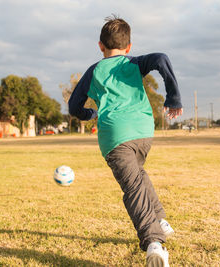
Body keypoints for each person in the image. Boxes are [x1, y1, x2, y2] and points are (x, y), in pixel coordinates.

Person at [68, 15, 183, 267]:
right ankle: (160, 219)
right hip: (143, 133)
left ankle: (154, 242)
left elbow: (74, 106)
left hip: (114, 137)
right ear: (128, 46)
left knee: (133, 188)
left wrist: (90, 113)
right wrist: (173, 97)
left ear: (100, 45)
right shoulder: (135, 62)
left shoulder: (94, 71)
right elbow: (162, 58)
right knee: (138, 177)